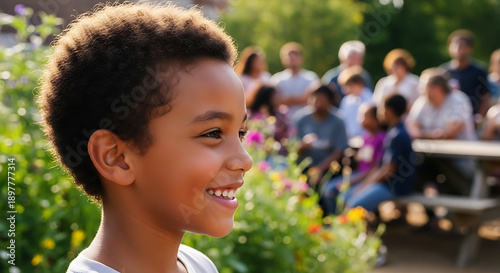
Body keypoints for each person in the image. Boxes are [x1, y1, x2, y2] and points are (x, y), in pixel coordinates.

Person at [37, 3, 253, 273]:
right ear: (116, 157)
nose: (245, 160)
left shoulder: (198, 265)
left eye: (241, 133)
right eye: (213, 133)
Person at [327, 94, 415, 213]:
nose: (379, 113)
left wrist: (364, 186)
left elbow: (388, 170)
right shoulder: (395, 131)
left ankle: (356, 231)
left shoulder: (397, 135)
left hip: (394, 187)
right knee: (345, 198)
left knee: (353, 207)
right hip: (387, 184)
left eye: (381, 109)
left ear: (389, 111)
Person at [407, 68, 476, 195]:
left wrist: (422, 134)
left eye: (423, 86)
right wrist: (432, 135)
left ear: (437, 88)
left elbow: (450, 134)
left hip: (460, 160)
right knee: (413, 167)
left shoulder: (458, 100)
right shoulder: (423, 101)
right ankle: (429, 211)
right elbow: (411, 128)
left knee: (423, 165)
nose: (420, 90)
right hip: (433, 156)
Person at [321, 103, 386, 215]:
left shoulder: (381, 139)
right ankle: (336, 219)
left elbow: (374, 168)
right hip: (359, 175)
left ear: (376, 120)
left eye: (364, 116)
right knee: (327, 189)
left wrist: (353, 181)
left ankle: (340, 221)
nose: (360, 119)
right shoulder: (366, 138)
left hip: (365, 178)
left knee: (341, 196)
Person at [294, 85, 348, 190]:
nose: (316, 102)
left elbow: (339, 151)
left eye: (321, 99)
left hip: (328, 170)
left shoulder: (338, 121)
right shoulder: (300, 119)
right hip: (302, 167)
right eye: (314, 98)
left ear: (330, 101)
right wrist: (303, 146)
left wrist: (320, 169)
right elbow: (292, 148)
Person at [440, 29, 491, 117]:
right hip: (448, 118)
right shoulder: (443, 72)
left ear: (470, 48)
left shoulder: (479, 71)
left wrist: (478, 117)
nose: (459, 49)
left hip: (472, 118)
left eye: (463, 46)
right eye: (455, 45)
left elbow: (485, 97)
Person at [270, 42, 319, 118]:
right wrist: (301, 99)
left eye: (295, 55)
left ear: (301, 57)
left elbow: (313, 99)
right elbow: (274, 101)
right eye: (288, 56)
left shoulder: (311, 77)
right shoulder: (276, 79)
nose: (292, 58)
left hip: (306, 120)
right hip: (283, 121)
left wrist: (288, 99)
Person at [338, 66, 373, 138]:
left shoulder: (371, 100)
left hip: (366, 139)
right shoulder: (346, 101)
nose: (346, 90)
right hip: (349, 140)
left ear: (359, 84)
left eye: (349, 86)